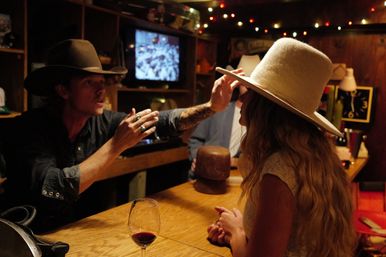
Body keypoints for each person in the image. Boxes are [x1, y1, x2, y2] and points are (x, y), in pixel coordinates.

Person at [0, 39, 240, 231]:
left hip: (76, 232)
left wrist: (211, 107)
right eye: (89, 82)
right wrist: (116, 145)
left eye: (102, 81)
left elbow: (162, 121)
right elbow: (54, 188)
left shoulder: (101, 121)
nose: (101, 89)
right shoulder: (29, 129)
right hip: (24, 237)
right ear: (63, 90)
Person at [206, 38, 357, 257]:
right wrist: (242, 229)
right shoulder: (314, 156)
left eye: (250, 92)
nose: (243, 101)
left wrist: (236, 232)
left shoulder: (279, 167)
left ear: (264, 107)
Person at [188, 54, 260, 173]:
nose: (248, 88)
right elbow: (195, 140)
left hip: (236, 178)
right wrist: (198, 158)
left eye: (252, 84)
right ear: (237, 83)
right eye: (244, 82)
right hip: (206, 174)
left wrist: (237, 162)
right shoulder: (218, 108)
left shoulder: (260, 120)